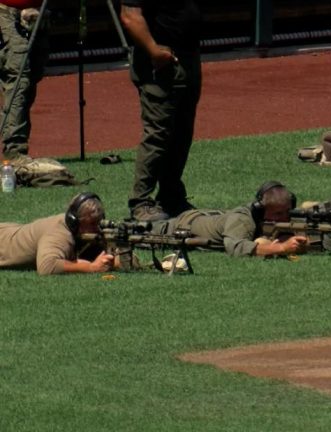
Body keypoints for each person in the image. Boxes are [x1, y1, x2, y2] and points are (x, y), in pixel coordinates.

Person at [120, 0, 202, 222]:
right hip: (160, 62)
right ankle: (140, 202)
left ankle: (171, 196)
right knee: (158, 133)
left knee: (182, 134)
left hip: (188, 57)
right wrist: (154, 51)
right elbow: (130, 16)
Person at [150, 181, 308, 258]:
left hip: (212, 216)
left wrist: (305, 242)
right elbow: (236, 247)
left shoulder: (288, 216)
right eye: (278, 214)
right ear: (261, 210)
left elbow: (325, 240)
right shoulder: (243, 219)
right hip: (180, 226)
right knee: (139, 232)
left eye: (287, 211)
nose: (285, 217)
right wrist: (281, 248)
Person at [0, 192, 114, 275]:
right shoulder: (59, 234)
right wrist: (91, 267)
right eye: (92, 224)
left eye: (99, 223)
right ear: (74, 220)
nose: (97, 229)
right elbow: (47, 266)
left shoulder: (79, 231)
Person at [0, 0, 49, 159]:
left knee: (32, 78)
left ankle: (17, 144)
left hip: (38, 13)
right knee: (19, 78)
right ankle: (14, 149)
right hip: (6, 12)